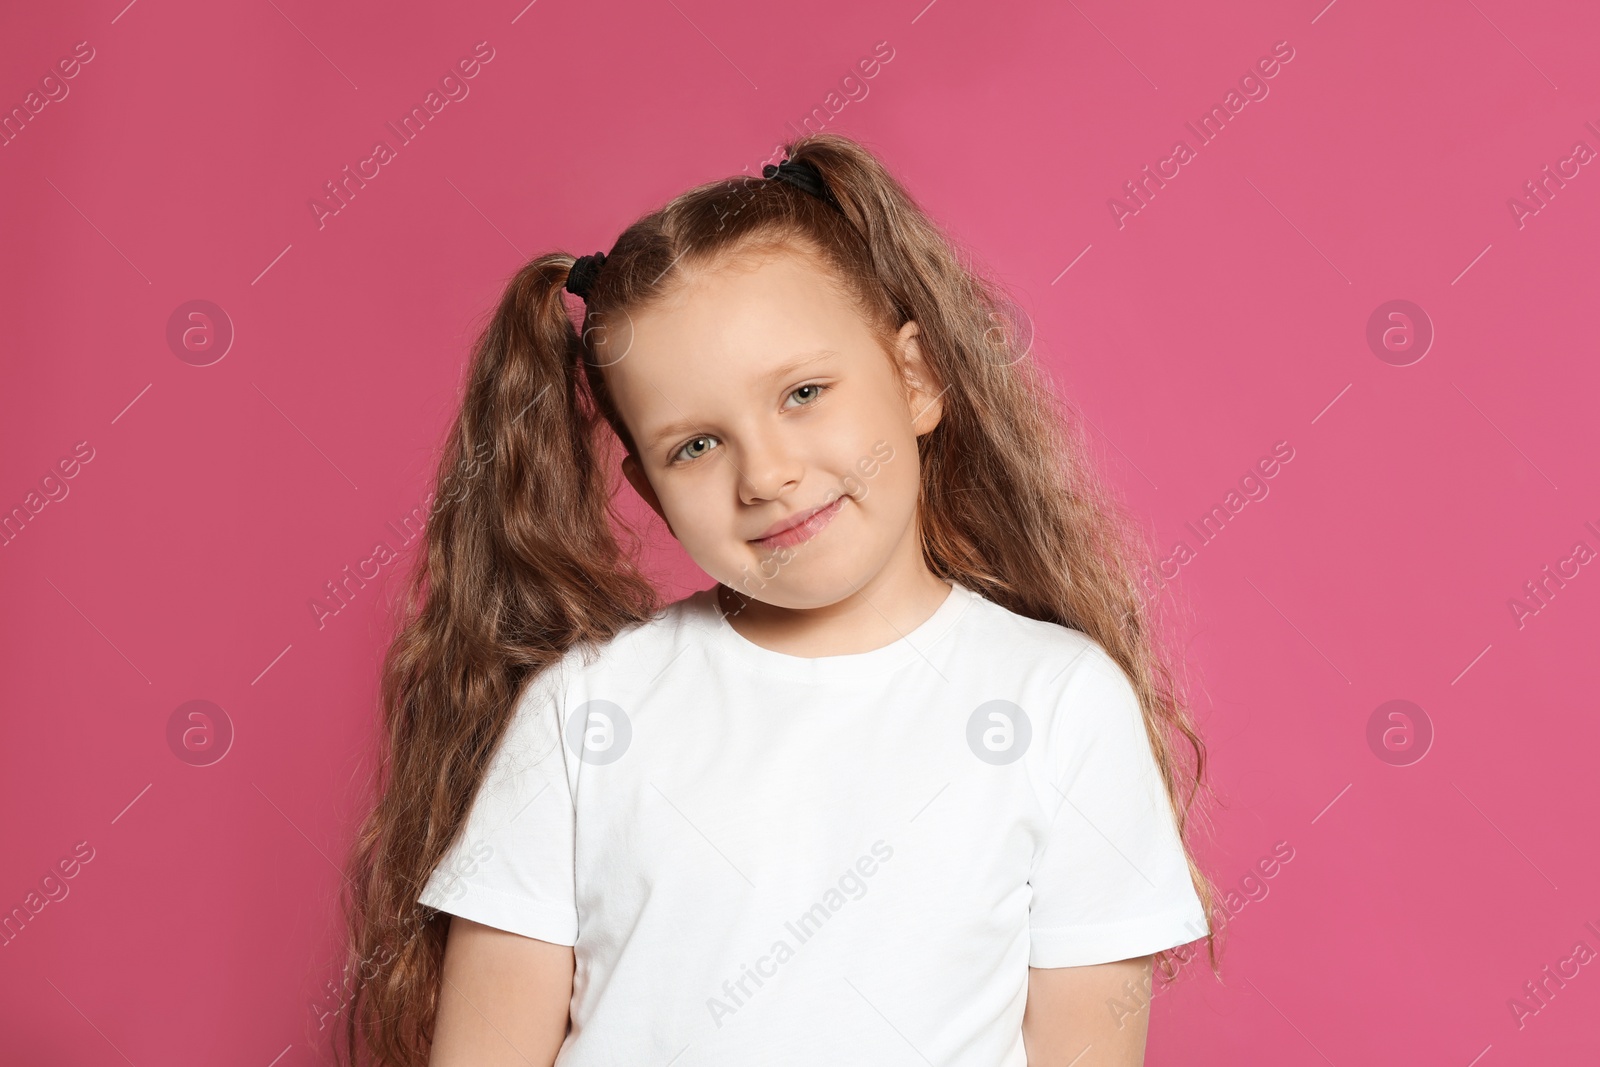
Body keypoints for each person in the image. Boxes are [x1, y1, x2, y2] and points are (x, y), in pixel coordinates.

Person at [336, 133, 1220, 1067]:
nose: (767, 474)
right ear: (645, 489)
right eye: (696, 446)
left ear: (915, 379)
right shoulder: (585, 713)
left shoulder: (1061, 704)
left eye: (802, 392)